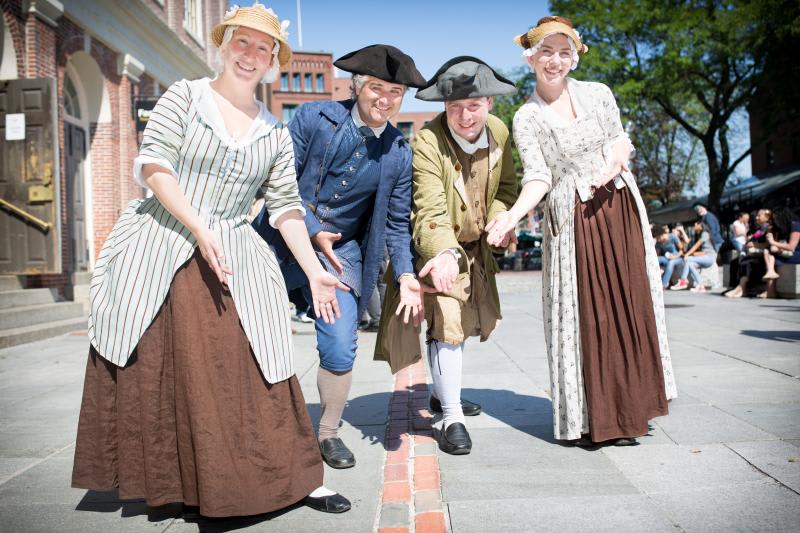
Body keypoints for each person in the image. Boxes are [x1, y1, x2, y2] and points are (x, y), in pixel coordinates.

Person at [71, 5, 353, 518]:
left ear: (272, 61)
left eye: (262, 49)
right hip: (164, 237)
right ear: (223, 47)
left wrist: (315, 270)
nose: (250, 56)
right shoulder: (184, 96)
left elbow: (286, 206)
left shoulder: (272, 131)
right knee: (164, 361)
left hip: (234, 251)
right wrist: (197, 227)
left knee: (257, 357)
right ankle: (177, 483)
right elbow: (154, 165)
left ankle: (292, 478)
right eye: (241, 43)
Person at [485, 16, 677, 446]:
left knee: (631, 305)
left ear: (575, 56)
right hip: (575, 219)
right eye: (546, 52)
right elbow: (538, 177)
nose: (555, 61)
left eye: (564, 52)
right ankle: (597, 418)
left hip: (620, 207)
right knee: (592, 315)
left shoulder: (598, 93)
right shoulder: (528, 117)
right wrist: (512, 216)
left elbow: (620, 139)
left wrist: (616, 160)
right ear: (530, 57)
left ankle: (633, 409)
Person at [253, 44, 429, 469]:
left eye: (395, 93)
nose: (385, 100)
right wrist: (312, 230)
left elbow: (394, 226)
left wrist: (405, 274)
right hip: (276, 238)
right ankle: (252, 425)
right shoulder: (314, 118)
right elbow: (279, 184)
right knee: (251, 335)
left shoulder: (399, 153)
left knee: (339, 345)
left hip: (342, 257)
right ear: (357, 86)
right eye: (376, 88)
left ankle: (328, 432)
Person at [410, 56, 519, 454]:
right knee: (448, 324)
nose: (464, 115)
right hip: (439, 248)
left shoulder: (500, 132)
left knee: (466, 322)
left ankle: (442, 393)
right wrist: (441, 255)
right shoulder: (426, 140)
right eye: (454, 107)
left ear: (489, 103)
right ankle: (450, 415)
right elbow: (429, 206)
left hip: (479, 251)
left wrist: (500, 218)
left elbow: (507, 188)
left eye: (473, 105)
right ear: (443, 107)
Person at [726, 208, 775, 298]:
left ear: (767, 217)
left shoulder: (769, 228)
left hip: (765, 255)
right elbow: (752, 239)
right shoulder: (761, 229)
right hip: (755, 253)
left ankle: (741, 288)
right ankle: (734, 287)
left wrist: (754, 244)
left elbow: (768, 245)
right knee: (734, 262)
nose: (756, 217)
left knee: (746, 262)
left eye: (759, 215)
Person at [669, 220, 717, 292]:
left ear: (700, 226)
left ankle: (683, 281)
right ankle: (700, 286)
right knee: (690, 264)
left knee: (688, 259)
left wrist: (687, 254)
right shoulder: (701, 234)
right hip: (706, 257)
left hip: (709, 258)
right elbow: (688, 243)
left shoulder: (705, 233)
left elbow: (697, 245)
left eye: (695, 225)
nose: (694, 227)